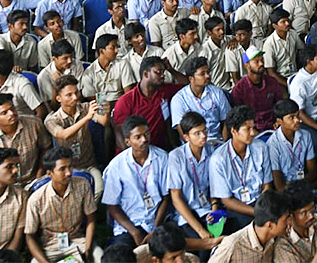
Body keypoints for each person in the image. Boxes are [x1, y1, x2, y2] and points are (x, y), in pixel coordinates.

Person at [104, 115, 170, 247]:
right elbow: (112, 206)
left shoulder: (162, 158)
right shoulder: (116, 166)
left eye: (146, 134)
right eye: (138, 137)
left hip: (156, 223)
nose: (144, 139)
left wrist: (155, 229)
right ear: (127, 141)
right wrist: (134, 232)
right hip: (128, 226)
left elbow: (166, 198)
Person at [25, 147, 99, 263]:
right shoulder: (36, 199)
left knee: (100, 257)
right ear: (50, 173)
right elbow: (30, 237)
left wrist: (88, 250)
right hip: (49, 248)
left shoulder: (82, 185)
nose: (69, 172)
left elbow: (91, 219)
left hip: (77, 241)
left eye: (70, 166)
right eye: (62, 169)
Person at [166, 112, 224, 255]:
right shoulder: (176, 157)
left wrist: (215, 207)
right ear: (186, 137)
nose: (203, 136)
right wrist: (200, 230)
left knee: (223, 241)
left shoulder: (212, 151)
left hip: (209, 209)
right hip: (187, 214)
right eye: (197, 133)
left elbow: (215, 186)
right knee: (204, 245)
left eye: (204, 131)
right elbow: (176, 198)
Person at [44, 75, 107, 200]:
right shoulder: (52, 119)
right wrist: (87, 118)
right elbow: (64, 134)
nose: (75, 97)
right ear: (58, 98)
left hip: (89, 164)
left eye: (76, 92)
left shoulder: (85, 108)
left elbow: (103, 122)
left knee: (99, 190)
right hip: (68, 167)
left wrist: (105, 110)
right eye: (69, 95)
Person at [209, 105, 273, 226]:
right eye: (247, 129)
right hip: (236, 208)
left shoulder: (261, 148)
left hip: (260, 202)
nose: (253, 133)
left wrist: (262, 207)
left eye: (253, 128)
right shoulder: (218, 159)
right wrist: (256, 212)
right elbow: (227, 201)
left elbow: (267, 185)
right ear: (233, 131)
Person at [0, 93, 50, 182]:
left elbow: (46, 147)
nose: (11, 113)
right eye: (4, 113)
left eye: (12, 108)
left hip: (34, 180)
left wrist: (40, 171)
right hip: (5, 186)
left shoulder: (34, 124)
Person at [115, 56, 182, 151]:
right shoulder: (126, 100)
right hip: (135, 152)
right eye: (158, 72)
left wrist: (171, 70)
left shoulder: (165, 90)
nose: (163, 75)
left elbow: (189, 84)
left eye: (164, 72)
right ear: (146, 74)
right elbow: (120, 135)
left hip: (159, 151)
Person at [207, 190, 291, 263]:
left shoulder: (275, 239)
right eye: (286, 219)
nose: (289, 222)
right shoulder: (232, 246)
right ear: (270, 225)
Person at [274, 180, 317, 263]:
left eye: (312, 209)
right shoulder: (283, 246)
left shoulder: (316, 222)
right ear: (290, 216)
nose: (311, 216)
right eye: (304, 213)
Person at [171, 57, 232, 143]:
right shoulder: (179, 99)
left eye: (208, 72)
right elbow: (182, 132)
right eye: (202, 74)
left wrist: (224, 144)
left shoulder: (217, 92)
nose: (208, 76)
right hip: (193, 146)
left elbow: (226, 121)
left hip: (217, 142)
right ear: (191, 79)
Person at [267, 99, 317, 190]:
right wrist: (306, 185)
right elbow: (279, 186)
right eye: (291, 117)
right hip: (287, 193)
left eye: (298, 116)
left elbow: (313, 173)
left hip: (300, 186)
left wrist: (298, 185)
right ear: (279, 121)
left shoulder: (305, 135)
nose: (297, 120)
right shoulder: (272, 144)